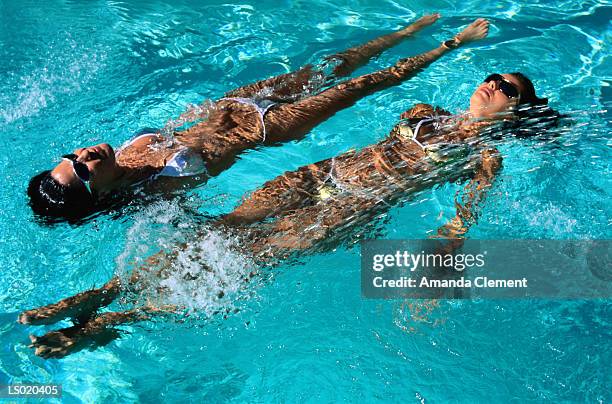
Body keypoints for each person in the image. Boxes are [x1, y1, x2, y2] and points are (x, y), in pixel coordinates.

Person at [18, 46, 554, 358]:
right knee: (219, 233)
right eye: (491, 76)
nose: (491, 83)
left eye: (506, 86)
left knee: (248, 258)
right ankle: (99, 294)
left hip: (353, 206)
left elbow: (461, 222)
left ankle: (118, 321)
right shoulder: (423, 108)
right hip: (317, 174)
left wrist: (430, 281)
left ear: (517, 114)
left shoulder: (485, 158)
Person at [27, 14, 492, 221]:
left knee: (335, 64)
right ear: (99, 190)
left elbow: (176, 132)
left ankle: (404, 31)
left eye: (72, 155)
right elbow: (183, 211)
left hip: (236, 102)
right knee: (360, 86)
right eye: (83, 169)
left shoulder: (124, 154)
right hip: (268, 127)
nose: (85, 154)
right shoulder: (154, 192)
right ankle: (451, 44)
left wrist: (203, 113)